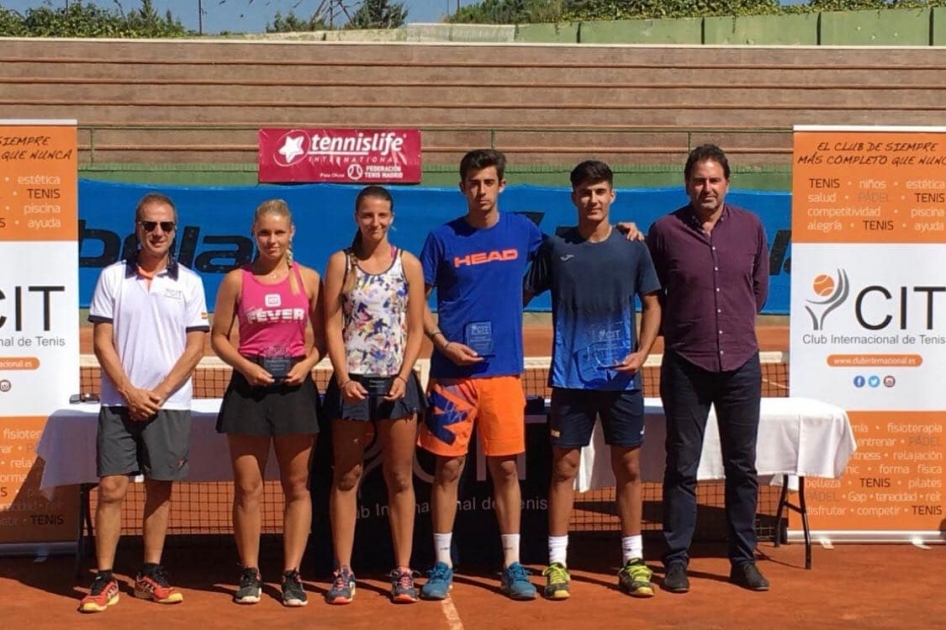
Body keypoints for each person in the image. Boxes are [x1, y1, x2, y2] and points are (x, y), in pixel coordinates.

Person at [524, 160, 662, 600]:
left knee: (629, 468)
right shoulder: (556, 247)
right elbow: (518, 292)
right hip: (570, 381)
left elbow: (653, 304)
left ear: (613, 195)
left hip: (621, 382)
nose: (593, 199)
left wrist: (641, 353)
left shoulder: (633, 247)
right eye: (585, 192)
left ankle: (633, 560)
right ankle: (557, 563)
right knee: (563, 469)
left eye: (600, 191)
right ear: (573, 198)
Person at [417, 149, 543, 601]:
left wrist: (627, 232)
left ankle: (512, 563)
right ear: (462, 187)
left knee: (506, 469)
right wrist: (442, 342)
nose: (481, 190)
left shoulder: (524, 232)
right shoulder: (441, 238)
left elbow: (572, 250)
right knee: (447, 469)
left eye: (489, 182)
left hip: (504, 372)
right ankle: (442, 563)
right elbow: (419, 302)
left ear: (502, 186)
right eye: (473, 182)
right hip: (452, 375)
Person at [646, 144, 770, 593]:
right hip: (685, 363)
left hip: (741, 363)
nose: (707, 188)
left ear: (727, 184)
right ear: (687, 184)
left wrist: (731, 327)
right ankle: (675, 561)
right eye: (699, 180)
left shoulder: (752, 227)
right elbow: (654, 295)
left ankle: (743, 560)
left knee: (743, 467)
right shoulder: (664, 231)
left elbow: (758, 291)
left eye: (715, 180)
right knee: (681, 466)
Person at [79, 192, 209, 613]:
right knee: (111, 488)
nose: (157, 233)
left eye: (165, 226)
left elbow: (195, 347)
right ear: (137, 228)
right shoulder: (112, 278)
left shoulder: (189, 282)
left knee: (160, 490)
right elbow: (102, 342)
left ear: (175, 231)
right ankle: (103, 578)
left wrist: (159, 394)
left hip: (169, 405)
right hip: (119, 403)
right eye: (150, 225)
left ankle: (149, 573)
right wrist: (131, 392)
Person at [212, 199, 324, 607]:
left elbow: (325, 340)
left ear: (291, 232)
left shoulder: (309, 280)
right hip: (249, 388)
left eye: (279, 232)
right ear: (254, 233)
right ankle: (250, 572)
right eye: (264, 232)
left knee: (297, 487)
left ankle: (292, 574)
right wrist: (245, 367)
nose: (272, 240)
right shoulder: (236, 281)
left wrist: (308, 364)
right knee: (248, 488)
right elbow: (219, 338)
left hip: (295, 388)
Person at [321, 186, 427, 605]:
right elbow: (330, 323)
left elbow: (417, 328)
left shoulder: (409, 265)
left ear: (392, 217)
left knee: (399, 478)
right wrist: (343, 376)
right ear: (356, 217)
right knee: (346, 477)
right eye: (368, 215)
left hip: (397, 386)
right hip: (352, 384)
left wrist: (404, 377)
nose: (375, 223)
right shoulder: (340, 263)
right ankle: (343, 571)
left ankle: (403, 570)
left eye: (382, 215)